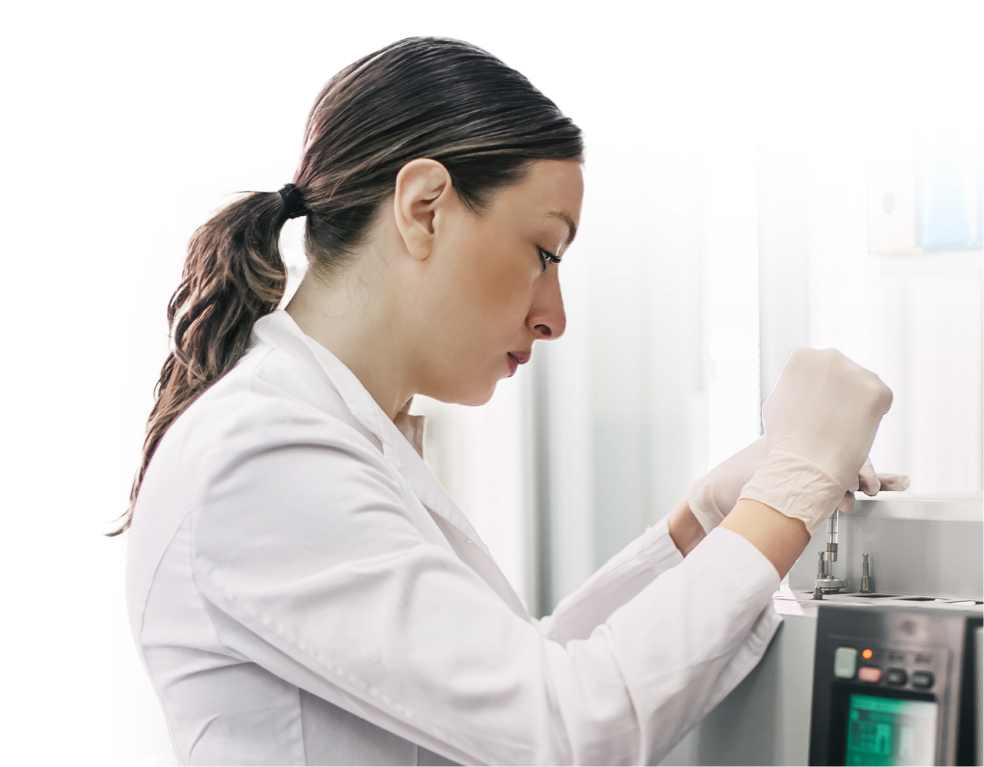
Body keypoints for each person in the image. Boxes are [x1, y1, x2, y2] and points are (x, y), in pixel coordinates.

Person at [115, 37, 906, 767]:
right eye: (543, 253)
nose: (554, 315)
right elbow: (560, 727)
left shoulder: (311, 427)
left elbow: (517, 677)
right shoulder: (262, 453)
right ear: (424, 206)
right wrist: (784, 499)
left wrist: (698, 527)